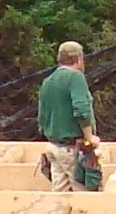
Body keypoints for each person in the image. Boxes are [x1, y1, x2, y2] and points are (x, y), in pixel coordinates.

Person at [35, 40, 96, 191]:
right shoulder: (75, 77)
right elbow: (82, 111)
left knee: (60, 197)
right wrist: (90, 137)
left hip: (54, 148)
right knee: (85, 199)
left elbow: (41, 118)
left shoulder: (48, 81)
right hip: (72, 149)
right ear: (79, 59)